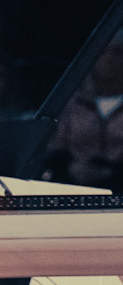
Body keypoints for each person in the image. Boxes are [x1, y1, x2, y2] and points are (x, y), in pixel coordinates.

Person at [45, 31, 123, 193]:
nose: (109, 58)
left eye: (117, 52)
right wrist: (71, 168)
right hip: (76, 190)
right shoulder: (73, 103)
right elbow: (56, 146)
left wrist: (112, 173)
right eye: (103, 51)